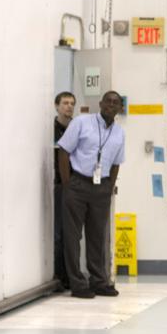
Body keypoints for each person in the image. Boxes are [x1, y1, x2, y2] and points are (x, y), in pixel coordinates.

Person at [56, 90, 126, 299]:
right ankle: (78, 283)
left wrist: (108, 188)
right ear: (100, 103)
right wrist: (68, 184)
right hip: (78, 183)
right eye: (108, 101)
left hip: (101, 188)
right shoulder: (81, 122)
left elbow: (116, 164)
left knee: (98, 237)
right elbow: (64, 151)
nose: (111, 105)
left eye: (116, 103)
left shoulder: (119, 133)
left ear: (120, 108)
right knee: (73, 236)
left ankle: (99, 281)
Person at [53, 91, 76, 291]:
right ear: (56, 106)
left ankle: (71, 276)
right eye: (65, 103)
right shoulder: (51, 129)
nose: (69, 107)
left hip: (73, 187)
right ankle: (59, 276)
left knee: (72, 234)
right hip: (57, 185)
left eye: (71, 103)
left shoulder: (76, 129)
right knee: (58, 233)